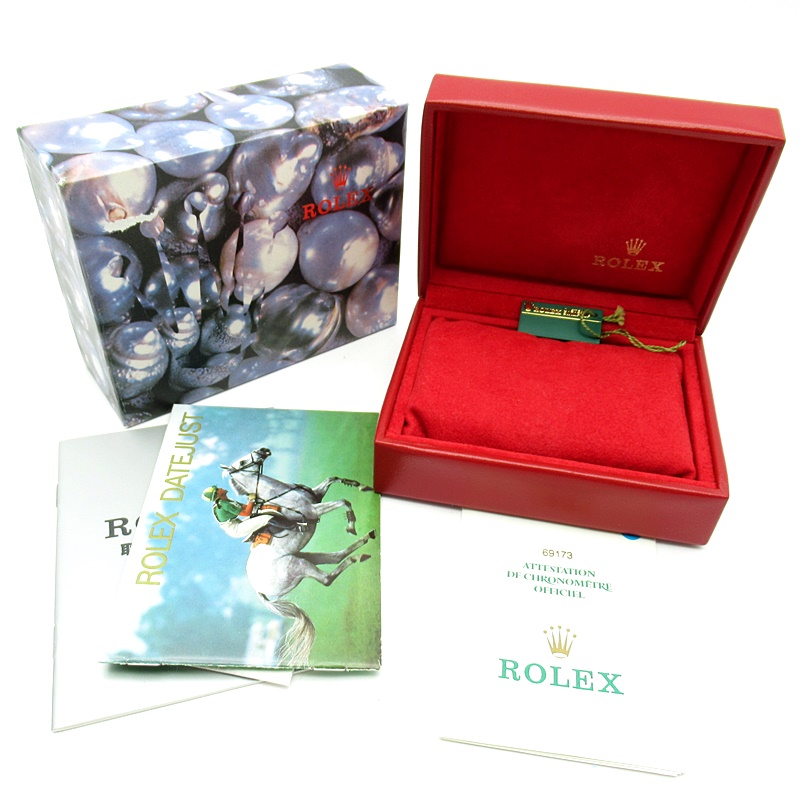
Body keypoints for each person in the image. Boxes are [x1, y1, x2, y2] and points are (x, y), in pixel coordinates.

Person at [201, 485, 289, 546]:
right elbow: (247, 513)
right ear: (217, 495)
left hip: (237, 523)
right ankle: (293, 527)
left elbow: (246, 507)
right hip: (236, 529)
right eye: (217, 489)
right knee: (265, 518)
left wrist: (253, 500)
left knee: (261, 513)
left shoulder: (227, 500)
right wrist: (251, 500)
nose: (220, 488)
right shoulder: (224, 505)